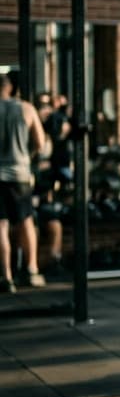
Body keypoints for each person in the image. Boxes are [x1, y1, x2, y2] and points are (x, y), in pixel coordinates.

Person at [0, 71, 49, 292]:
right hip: (19, 174)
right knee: (26, 221)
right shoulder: (26, 109)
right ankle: (31, 269)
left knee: (1, 225)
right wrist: (26, 156)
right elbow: (40, 142)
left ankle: (6, 276)